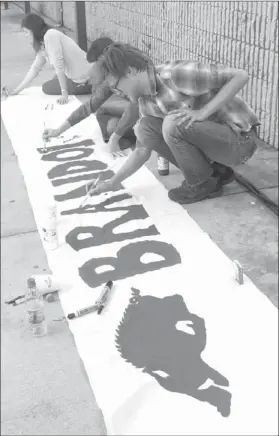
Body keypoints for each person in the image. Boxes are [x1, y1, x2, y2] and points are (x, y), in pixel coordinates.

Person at [84, 43, 260, 204]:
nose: (117, 92)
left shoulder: (176, 74)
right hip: (217, 147)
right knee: (145, 129)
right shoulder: (145, 102)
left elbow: (240, 76)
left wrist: (202, 113)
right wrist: (111, 183)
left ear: (130, 72)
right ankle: (213, 173)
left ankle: (201, 184)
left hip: (240, 141)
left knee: (172, 123)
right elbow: (141, 150)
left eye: (116, 86)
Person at [43, 37, 138, 151]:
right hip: (136, 111)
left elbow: (137, 107)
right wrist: (58, 130)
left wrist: (115, 137)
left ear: (105, 59)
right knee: (105, 117)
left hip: (149, 113)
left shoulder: (132, 72)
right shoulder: (110, 78)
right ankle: (126, 137)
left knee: (112, 125)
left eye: (96, 64)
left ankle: (133, 137)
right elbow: (89, 106)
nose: (94, 69)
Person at [1, 13, 93, 104]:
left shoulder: (50, 35)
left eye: (26, 32)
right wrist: (16, 91)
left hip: (83, 78)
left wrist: (64, 93)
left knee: (47, 87)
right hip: (83, 71)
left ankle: (89, 86)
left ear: (34, 30)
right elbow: (35, 69)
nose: (25, 36)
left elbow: (59, 65)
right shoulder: (43, 43)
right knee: (55, 79)